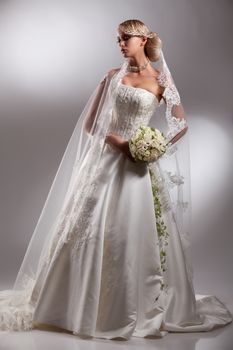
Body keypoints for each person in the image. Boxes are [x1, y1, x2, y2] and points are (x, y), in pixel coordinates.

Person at [0, 18, 232, 341]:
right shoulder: (112, 77)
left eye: (125, 39)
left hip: (141, 168)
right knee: (88, 231)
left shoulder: (161, 79)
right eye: (118, 40)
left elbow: (180, 124)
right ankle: (74, 305)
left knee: (138, 236)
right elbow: (92, 125)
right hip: (108, 162)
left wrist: (155, 146)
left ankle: (134, 306)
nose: (120, 44)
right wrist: (123, 144)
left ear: (141, 40)